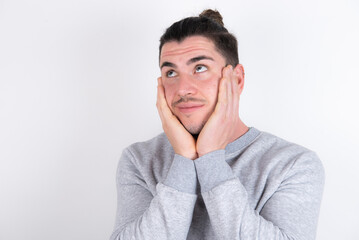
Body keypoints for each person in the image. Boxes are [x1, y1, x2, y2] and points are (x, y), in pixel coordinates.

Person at [110, 9, 324, 240]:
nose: (182, 88)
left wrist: (210, 157)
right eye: (171, 72)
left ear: (237, 79)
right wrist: (184, 159)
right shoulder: (139, 160)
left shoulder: (293, 165)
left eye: (199, 68)